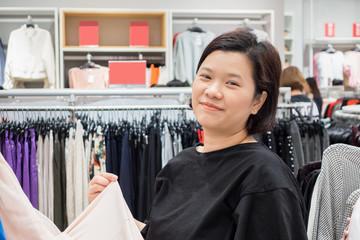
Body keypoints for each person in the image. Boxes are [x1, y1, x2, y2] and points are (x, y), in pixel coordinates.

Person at [88, 29, 308, 239]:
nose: (212, 91)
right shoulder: (179, 166)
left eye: (232, 83)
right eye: (206, 76)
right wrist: (111, 209)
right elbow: (156, 234)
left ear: (258, 101)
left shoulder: (264, 179)